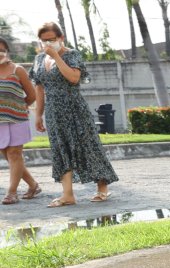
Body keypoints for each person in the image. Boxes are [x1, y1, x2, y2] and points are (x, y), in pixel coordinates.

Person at [30, 22, 117, 207]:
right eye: (44, 40)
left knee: (88, 146)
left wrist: (56, 56)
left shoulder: (72, 55)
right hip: (54, 112)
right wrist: (39, 115)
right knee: (60, 149)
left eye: (52, 39)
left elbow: (74, 78)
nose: (48, 43)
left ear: (61, 38)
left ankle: (102, 187)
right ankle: (68, 195)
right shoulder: (38, 59)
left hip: (74, 108)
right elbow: (39, 88)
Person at [0, 37, 40, 205]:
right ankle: (33, 185)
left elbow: (32, 95)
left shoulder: (18, 70)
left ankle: (12, 192)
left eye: (1, 50)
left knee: (14, 154)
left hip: (17, 119)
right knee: (8, 155)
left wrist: (20, 106)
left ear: (7, 52)